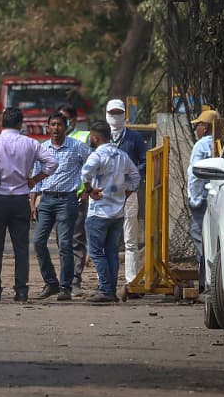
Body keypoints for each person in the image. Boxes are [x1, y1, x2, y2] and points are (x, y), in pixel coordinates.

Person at [0, 107, 58, 302]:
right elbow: (52, 163)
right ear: (21, 124)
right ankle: (21, 290)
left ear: (2, 122)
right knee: (21, 247)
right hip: (20, 199)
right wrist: (36, 179)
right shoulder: (30, 143)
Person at [30, 113, 91, 301]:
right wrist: (32, 203)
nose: (56, 128)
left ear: (66, 127)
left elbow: (93, 165)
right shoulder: (42, 148)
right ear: (48, 127)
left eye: (59, 125)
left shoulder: (77, 146)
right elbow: (35, 176)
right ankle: (51, 283)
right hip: (46, 200)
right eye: (52, 125)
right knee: (39, 242)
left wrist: (87, 189)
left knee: (65, 244)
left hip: (67, 200)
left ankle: (66, 286)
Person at [81, 121, 141, 303]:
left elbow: (85, 174)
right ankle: (110, 290)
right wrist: (126, 193)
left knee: (97, 252)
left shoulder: (97, 155)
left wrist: (90, 190)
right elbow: (136, 176)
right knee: (111, 252)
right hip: (117, 213)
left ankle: (106, 289)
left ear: (95, 137)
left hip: (99, 212)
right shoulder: (121, 155)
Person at [105, 99, 146, 288]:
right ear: (106, 114)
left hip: (129, 193)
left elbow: (146, 161)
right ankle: (105, 280)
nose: (115, 117)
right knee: (105, 237)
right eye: (112, 113)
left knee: (130, 239)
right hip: (105, 195)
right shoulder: (100, 136)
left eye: (118, 113)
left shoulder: (134, 137)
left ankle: (132, 280)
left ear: (124, 114)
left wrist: (130, 174)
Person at [59, 104, 92, 294]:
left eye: (64, 119)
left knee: (76, 239)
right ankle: (65, 278)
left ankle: (75, 280)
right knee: (62, 240)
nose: (60, 124)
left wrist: (87, 191)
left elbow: (92, 166)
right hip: (58, 198)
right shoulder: (54, 140)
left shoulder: (84, 137)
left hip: (78, 196)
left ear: (72, 121)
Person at [187, 109, 221, 294]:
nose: (196, 129)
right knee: (212, 240)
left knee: (200, 239)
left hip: (202, 200)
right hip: (217, 198)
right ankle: (211, 282)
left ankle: (206, 285)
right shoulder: (222, 143)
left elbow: (195, 175)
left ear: (206, 127)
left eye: (198, 125)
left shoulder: (201, 146)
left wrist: (194, 199)